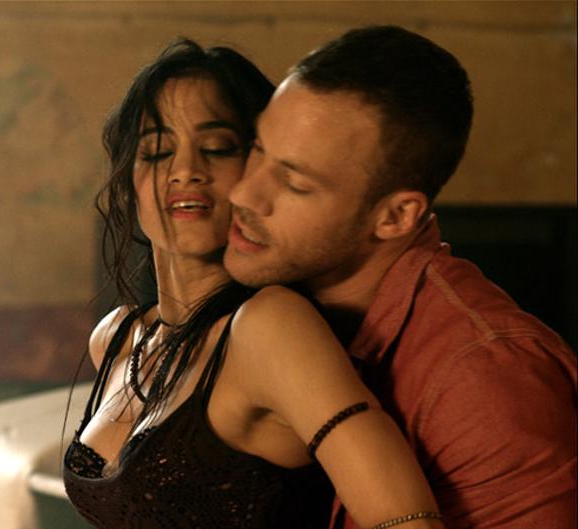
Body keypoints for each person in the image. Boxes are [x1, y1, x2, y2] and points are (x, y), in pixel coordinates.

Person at [63, 38, 446, 529]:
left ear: (257, 170)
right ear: (128, 180)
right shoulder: (116, 338)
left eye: (217, 148)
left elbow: (408, 520)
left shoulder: (269, 327)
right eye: (157, 151)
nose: (186, 171)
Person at [224, 25, 577, 528]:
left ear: (395, 216)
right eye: (258, 148)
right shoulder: (266, 297)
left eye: (295, 182)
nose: (243, 194)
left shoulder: (485, 381)